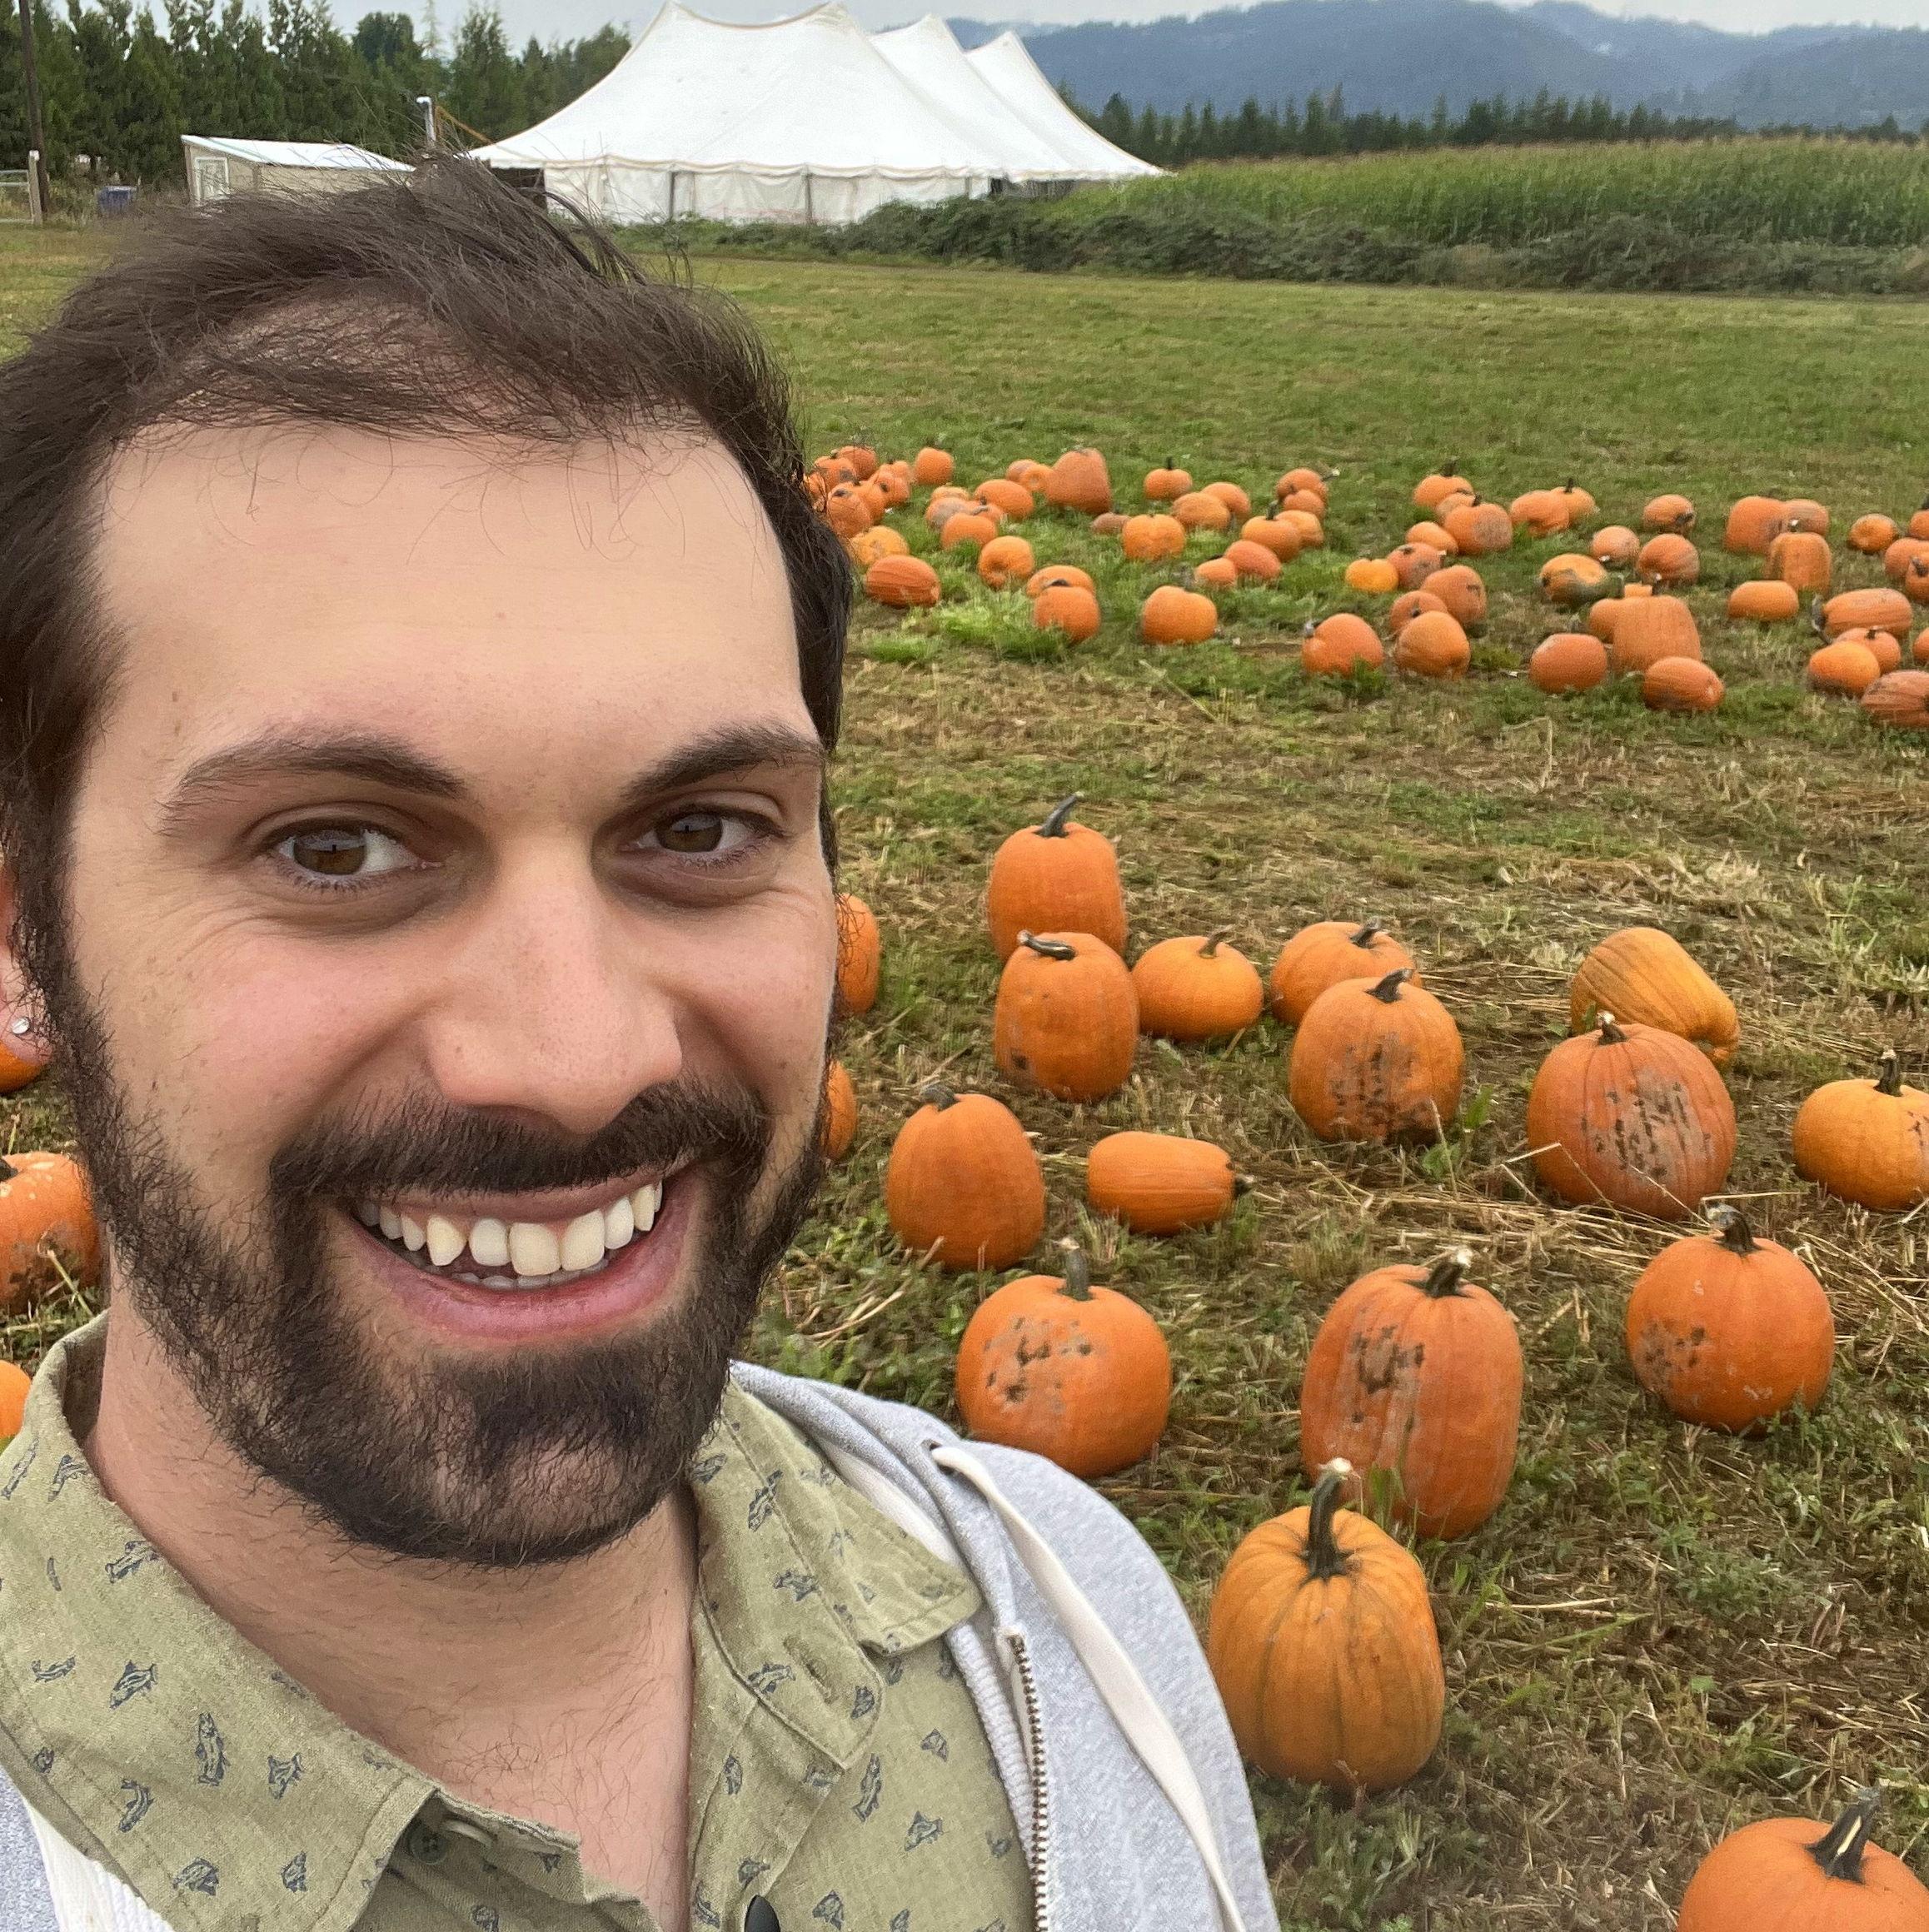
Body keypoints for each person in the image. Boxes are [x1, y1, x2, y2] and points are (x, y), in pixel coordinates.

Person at [0, 161, 1275, 1932]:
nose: (578, 1054)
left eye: (697, 829)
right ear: (24, 933)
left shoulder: (1066, 1623)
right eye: (334, 847)